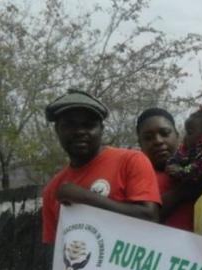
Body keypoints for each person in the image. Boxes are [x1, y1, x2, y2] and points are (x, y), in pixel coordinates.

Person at [41, 89, 160, 244]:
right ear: (57, 130)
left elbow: (150, 218)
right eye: (70, 125)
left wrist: (85, 197)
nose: (80, 132)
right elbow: (53, 248)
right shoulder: (52, 190)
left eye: (89, 125)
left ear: (101, 129)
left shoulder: (131, 160)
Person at [158, 109, 202, 230]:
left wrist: (180, 171)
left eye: (190, 132)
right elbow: (178, 158)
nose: (185, 137)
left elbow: (195, 170)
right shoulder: (189, 151)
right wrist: (173, 165)